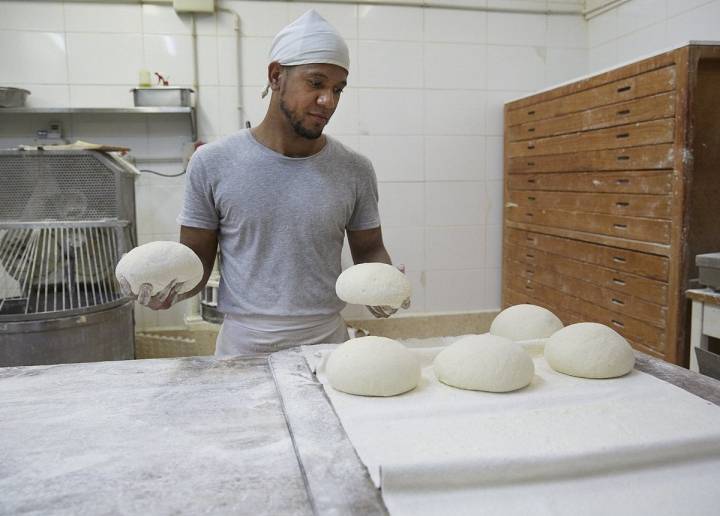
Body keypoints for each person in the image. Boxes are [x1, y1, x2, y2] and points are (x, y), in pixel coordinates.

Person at [120, 10, 409, 356]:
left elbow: (370, 249)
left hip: (326, 342)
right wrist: (172, 288)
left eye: (337, 89)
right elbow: (196, 262)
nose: (327, 101)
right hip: (244, 344)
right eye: (316, 83)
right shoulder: (213, 163)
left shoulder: (354, 169)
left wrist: (384, 281)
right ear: (276, 76)